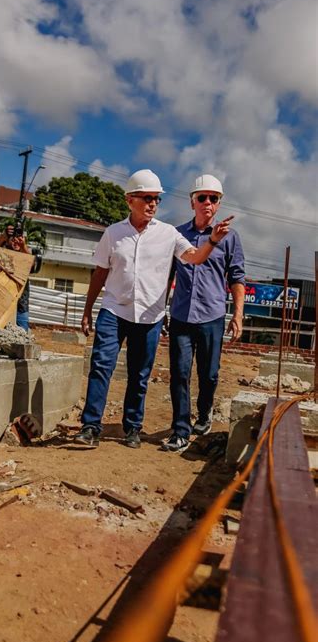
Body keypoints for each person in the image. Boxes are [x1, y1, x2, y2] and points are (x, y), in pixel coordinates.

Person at [74, 169, 235, 449]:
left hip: (149, 316)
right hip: (114, 311)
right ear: (129, 200)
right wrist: (88, 310)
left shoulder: (168, 235)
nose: (152, 204)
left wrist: (212, 241)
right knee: (101, 366)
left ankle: (133, 427)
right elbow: (99, 273)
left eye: (156, 199)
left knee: (139, 374)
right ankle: (90, 426)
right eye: (146, 198)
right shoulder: (113, 234)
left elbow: (195, 258)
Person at [162, 174, 245, 454]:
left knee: (208, 374)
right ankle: (180, 430)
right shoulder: (177, 235)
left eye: (214, 198)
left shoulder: (231, 238)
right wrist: (161, 308)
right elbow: (167, 275)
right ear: (192, 202)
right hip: (182, 316)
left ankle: (205, 412)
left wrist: (238, 314)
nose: (207, 202)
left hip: (211, 316)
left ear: (218, 204)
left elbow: (237, 278)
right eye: (202, 197)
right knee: (179, 373)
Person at [0, 223, 32, 331]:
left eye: (19, 238)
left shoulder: (26, 253)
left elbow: (32, 264)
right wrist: (2, 237)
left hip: (20, 304)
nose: (16, 241)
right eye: (13, 238)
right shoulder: (0, 252)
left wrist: (23, 245)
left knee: (21, 334)